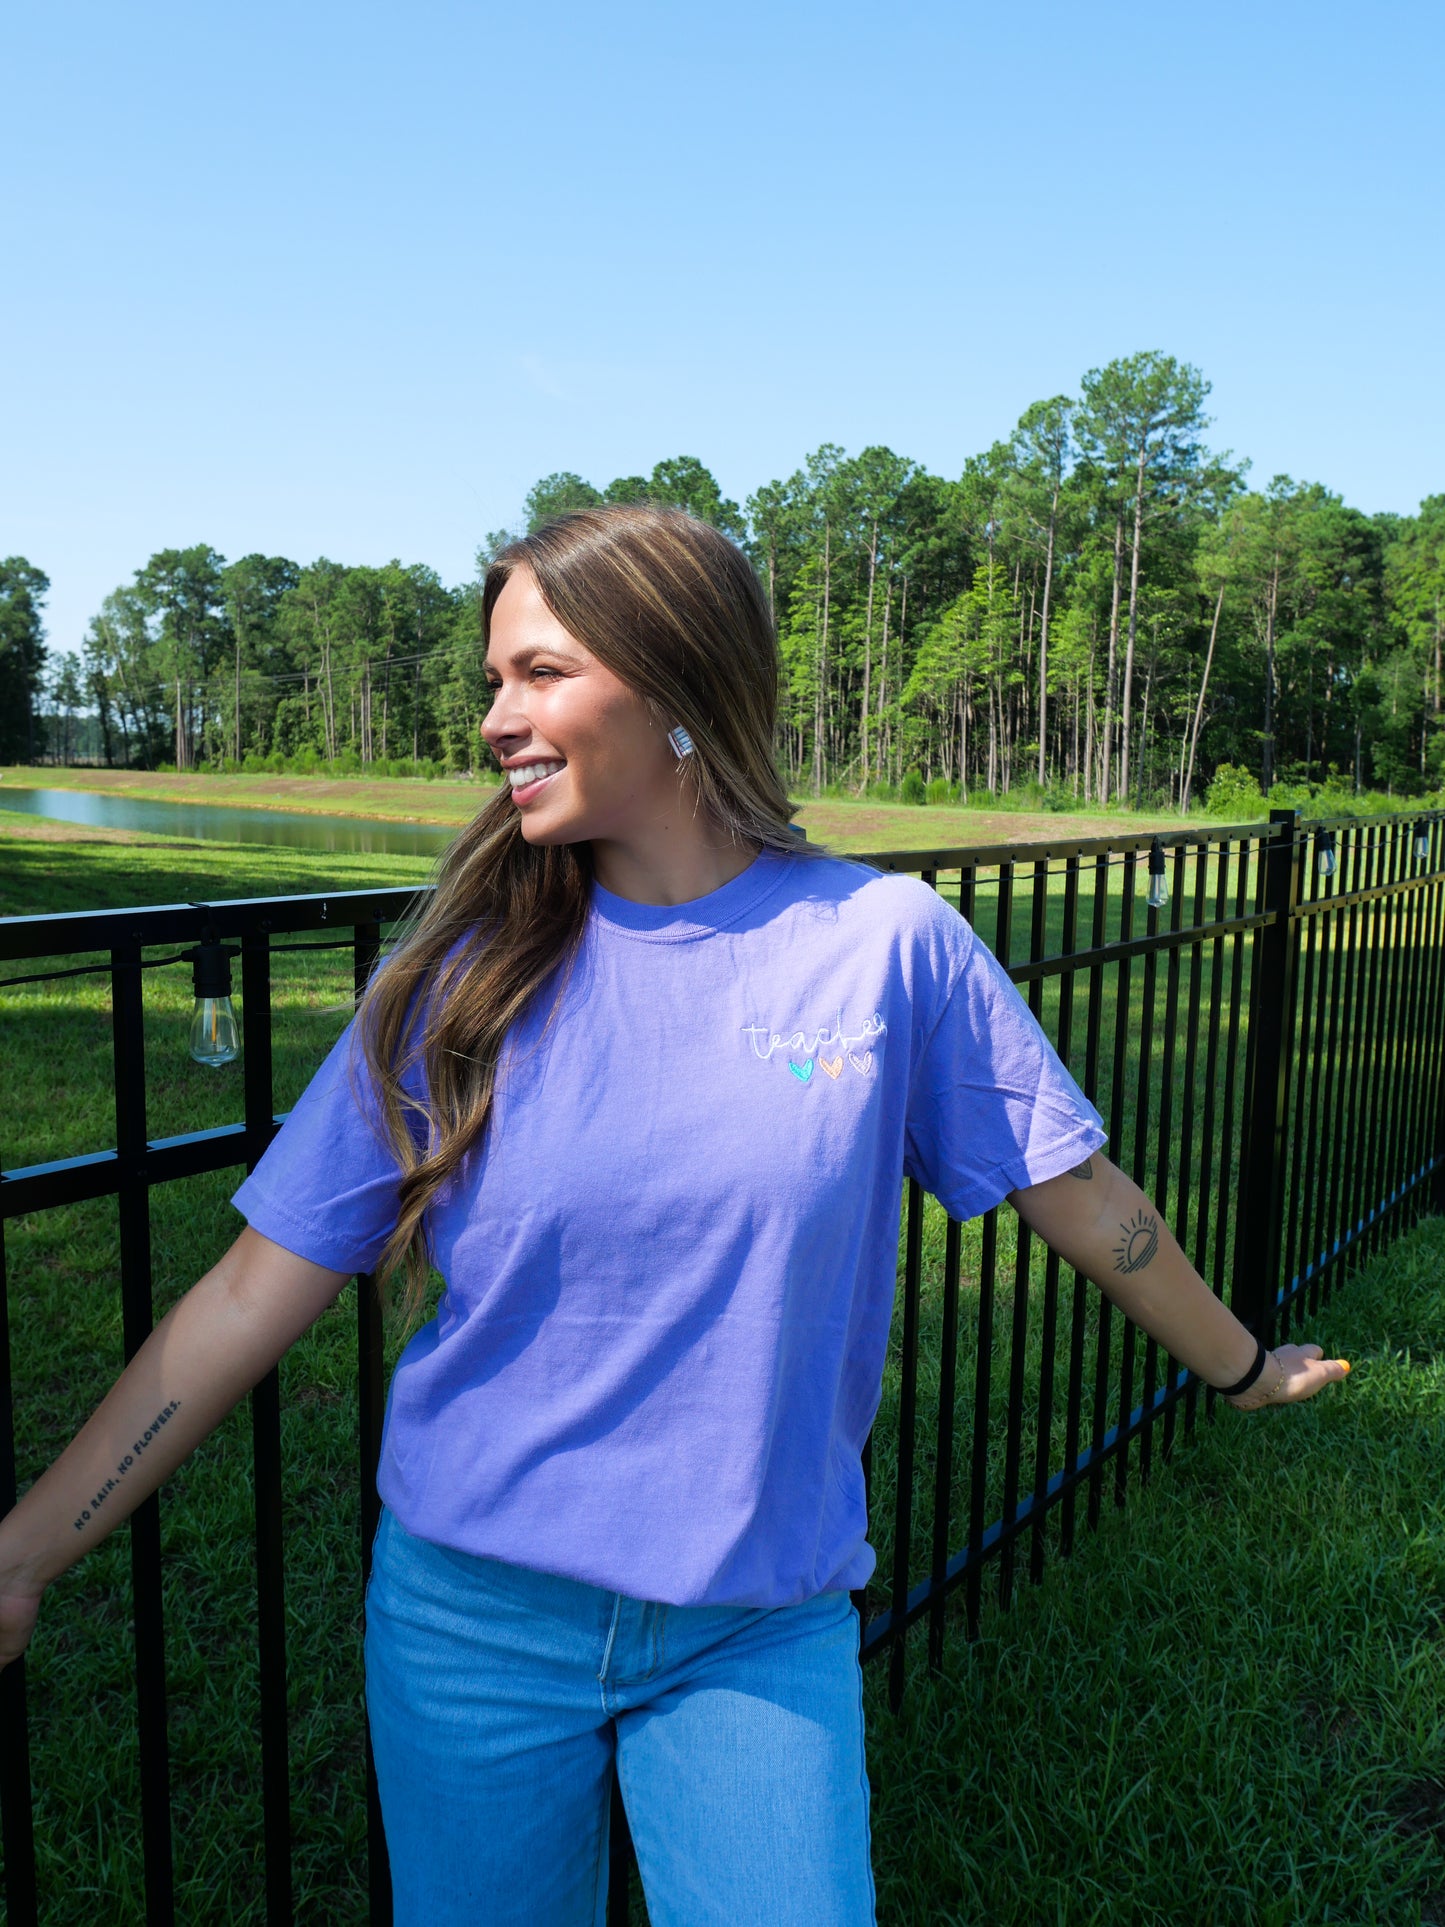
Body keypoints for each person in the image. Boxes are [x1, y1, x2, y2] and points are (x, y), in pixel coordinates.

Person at [0, 507, 1348, 1925]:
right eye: (493, 680)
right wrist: (27, 1551)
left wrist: (1243, 1368)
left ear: (676, 683)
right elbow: (245, 1295)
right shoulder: (454, 981)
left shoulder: (883, 948)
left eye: (538, 674)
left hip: (757, 1627)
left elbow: (1086, 1200)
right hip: (467, 1620)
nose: (493, 720)